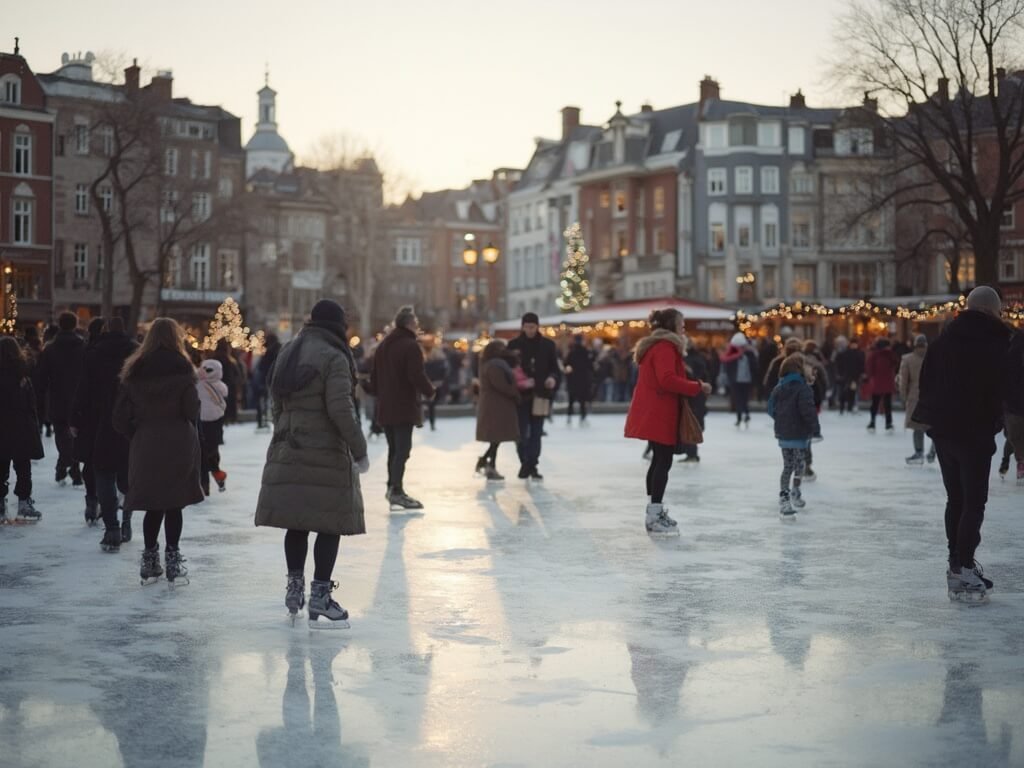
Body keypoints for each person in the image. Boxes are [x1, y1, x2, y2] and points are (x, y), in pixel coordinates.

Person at [255, 299, 369, 628]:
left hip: (290, 447)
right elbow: (341, 409)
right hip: (324, 452)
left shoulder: (289, 350)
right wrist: (359, 449)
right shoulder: (334, 356)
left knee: (297, 521)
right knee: (329, 523)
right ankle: (320, 596)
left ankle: (294, 588)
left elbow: (275, 399)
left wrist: (284, 429)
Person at [913, 286, 1012, 602]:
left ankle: (956, 563)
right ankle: (964, 567)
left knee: (955, 498)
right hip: (974, 432)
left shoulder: (943, 341)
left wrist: (934, 419)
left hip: (944, 431)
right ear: (988, 311)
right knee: (974, 501)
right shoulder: (996, 341)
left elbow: (926, 382)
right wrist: (997, 419)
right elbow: (1004, 385)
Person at [113, 318, 204, 585]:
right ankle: (173, 560)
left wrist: (139, 433)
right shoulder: (183, 368)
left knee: (154, 505)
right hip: (179, 443)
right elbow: (190, 410)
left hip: (146, 443)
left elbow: (119, 418)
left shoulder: (134, 370)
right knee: (174, 503)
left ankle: (150, 560)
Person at [624, 308, 712, 534]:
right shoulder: (665, 347)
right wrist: (697, 387)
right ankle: (654, 515)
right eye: (681, 323)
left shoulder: (658, 345)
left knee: (659, 460)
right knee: (663, 461)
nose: (684, 327)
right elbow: (667, 379)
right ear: (671, 325)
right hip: (660, 411)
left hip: (655, 410)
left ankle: (653, 511)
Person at [72, 317, 137, 551]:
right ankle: (128, 520)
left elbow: (84, 386)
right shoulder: (135, 352)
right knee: (127, 476)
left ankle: (112, 527)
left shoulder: (94, 352)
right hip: (129, 421)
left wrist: (76, 417)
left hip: (98, 420)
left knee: (104, 472)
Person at [368, 306, 435, 510]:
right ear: (408, 324)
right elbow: (415, 375)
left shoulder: (383, 346)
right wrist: (430, 391)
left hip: (386, 406)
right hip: (403, 405)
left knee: (394, 449)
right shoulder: (410, 346)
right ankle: (396, 490)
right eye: (415, 323)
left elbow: (374, 379)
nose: (418, 326)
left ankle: (392, 487)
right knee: (403, 450)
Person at [507, 313, 561, 480]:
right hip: (520, 396)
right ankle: (525, 462)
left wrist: (552, 378)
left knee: (536, 432)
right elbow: (508, 371)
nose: (530, 330)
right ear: (522, 327)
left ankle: (532, 464)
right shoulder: (513, 345)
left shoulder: (547, 345)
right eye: (527, 326)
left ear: (537, 326)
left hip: (541, 394)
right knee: (522, 433)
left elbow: (555, 368)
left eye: (532, 326)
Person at [35, 311, 86, 486]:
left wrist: (39, 398)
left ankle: (65, 463)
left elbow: (41, 377)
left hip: (57, 397)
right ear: (75, 324)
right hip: (79, 398)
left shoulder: (50, 349)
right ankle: (72, 467)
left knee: (61, 435)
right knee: (76, 435)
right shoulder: (83, 347)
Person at [768, 353, 821, 517]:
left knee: (787, 466)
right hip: (799, 434)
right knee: (799, 465)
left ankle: (785, 496)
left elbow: (770, 408)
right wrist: (816, 429)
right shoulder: (803, 388)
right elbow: (808, 411)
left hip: (783, 434)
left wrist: (781, 419)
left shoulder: (779, 387)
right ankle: (795, 491)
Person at [0, 337, 44, 522]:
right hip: (21, 427)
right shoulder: (23, 374)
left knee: (1, 466)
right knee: (23, 467)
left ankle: (0, 503)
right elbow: (30, 403)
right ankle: (24, 502)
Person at [474, 340, 521, 481]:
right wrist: (516, 393)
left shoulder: (491, 364)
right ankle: (488, 465)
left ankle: (486, 463)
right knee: (495, 438)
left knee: (496, 439)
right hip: (495, 407)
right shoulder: (494, 366)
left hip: (497, 406)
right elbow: (501, 385)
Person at [898, 334, 935, 465]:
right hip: (933, 396)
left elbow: (903, 381)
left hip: (914, 396)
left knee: (917, 426)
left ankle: (919, 452)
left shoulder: (908, 359)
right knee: (933, 426)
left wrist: (903, 397)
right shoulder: (934, 358)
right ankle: (933, 451)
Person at [196, 358, 229, 495]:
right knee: (212, 450)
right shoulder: (220, 385)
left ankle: (205, 482)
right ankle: (216, 473)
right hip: (216, 421)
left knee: (202, 451)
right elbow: (225, 393)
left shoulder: (197, 384)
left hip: (201, 421)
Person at [999, 330, 1024, 482]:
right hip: (1013, 404)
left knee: (1013, 436)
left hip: (1012, 405)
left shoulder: (1008, 354)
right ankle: (1018, 462)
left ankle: (1012, 461)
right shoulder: (1012, 355)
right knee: (1014, 436)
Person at [678, 340, 709, 463]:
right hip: (697, 396)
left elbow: (692, 378)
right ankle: (691, 452)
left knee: (691, 424)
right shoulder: (698, 359)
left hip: (693, 397)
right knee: (693, 424)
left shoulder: (688, 361)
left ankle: (692, 453)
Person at [720, 332, 757, 427]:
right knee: (737, 399)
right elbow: (726, 363)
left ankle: (746, 415)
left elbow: (755, 366)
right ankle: (740, 417)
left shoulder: (749, 354)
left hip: (747, 380)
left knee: (744, 399)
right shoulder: (732, 353)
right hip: (735, 380)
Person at [865, 338, 898, 432]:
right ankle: (888, 423)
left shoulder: (874, 355)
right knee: (888, 404)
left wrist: (869, 377)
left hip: (877, 383)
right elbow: (896, 364)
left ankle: (872, 422)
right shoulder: (891, 354)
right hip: (887, 382)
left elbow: (870, 368)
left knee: (875, 404)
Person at [563, 334, 594, 425]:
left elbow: (566, 364)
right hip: (582, 379)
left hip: (573, 379)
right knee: (582, 400)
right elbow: (590, 365)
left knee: (571, 400)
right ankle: (582, 416)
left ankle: (569, 416)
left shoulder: (572, 352)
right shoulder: (585, 352)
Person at [252, 333, 281, 431]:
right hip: (273, 380)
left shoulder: (270, 352)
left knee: (266, 402)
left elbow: (263, 368)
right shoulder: (279, 350)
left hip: (267, 381)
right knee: (272, 403)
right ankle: (270, 422)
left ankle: (264, 422)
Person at [834, 338, 865, 414]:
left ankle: (849, 407)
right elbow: (839, 363)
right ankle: (843, 407)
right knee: (844, 392)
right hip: (846, 376)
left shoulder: (859, 353)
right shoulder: (846, 353)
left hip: (854, 376)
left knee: (852, 392)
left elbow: (861, 364)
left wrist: (861, 373)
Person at [214, 339, 240, 424]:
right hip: (229, 389)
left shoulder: (214, 360)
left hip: (216, 390)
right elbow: (237, 376)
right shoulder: (231, 361)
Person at [423, 346, 449, 431]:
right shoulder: (441, 363)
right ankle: (431, 422)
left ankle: (430, 422)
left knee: (430, 405)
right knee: (432, 405)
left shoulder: (426, 362)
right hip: (437, 385)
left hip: (429, 385)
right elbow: (444, 374)